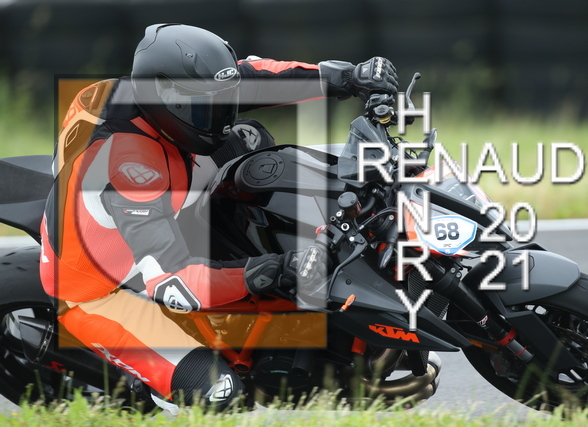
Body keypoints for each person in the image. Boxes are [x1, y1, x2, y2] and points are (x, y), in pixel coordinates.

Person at [39, 23, 399, 411]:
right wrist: (273, 269)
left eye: (223, 102)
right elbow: (173, 282)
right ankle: (156, 392)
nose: (220, 118)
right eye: (205, 109)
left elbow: (255, 77)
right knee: (222, 397)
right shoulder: (130, 170)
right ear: (167, 101)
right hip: (104, 287)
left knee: (253, 144)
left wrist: (348, 77)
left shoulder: (152, 95)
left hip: (155, 193)